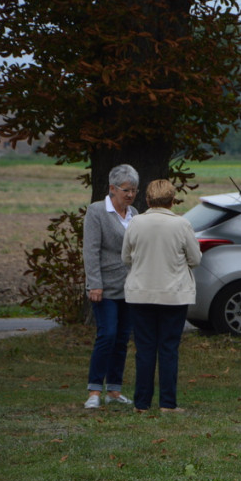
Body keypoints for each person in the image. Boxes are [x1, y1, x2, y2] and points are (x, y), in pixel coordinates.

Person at [122, 179, 201, 413]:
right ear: (172, 200)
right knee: (168, 349)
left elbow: (126, 257)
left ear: (147, 199)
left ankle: (141, 403)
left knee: (144, 349)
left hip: (140, 292)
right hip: (173, 294)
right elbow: (196, 259)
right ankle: (167, 403)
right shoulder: (182, 224)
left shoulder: (136, 222)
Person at [82, 164, 140, 409]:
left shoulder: (135, 213)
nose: (130, 195)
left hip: (130, 287)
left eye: (134, 190)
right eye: (126, 190)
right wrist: (94, 284)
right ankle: (94, 390)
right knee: (107, 334)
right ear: (112, 189)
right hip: (104, 287)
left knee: (122, 338)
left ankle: (114, 390)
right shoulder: (97, 211)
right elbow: (91, 250)